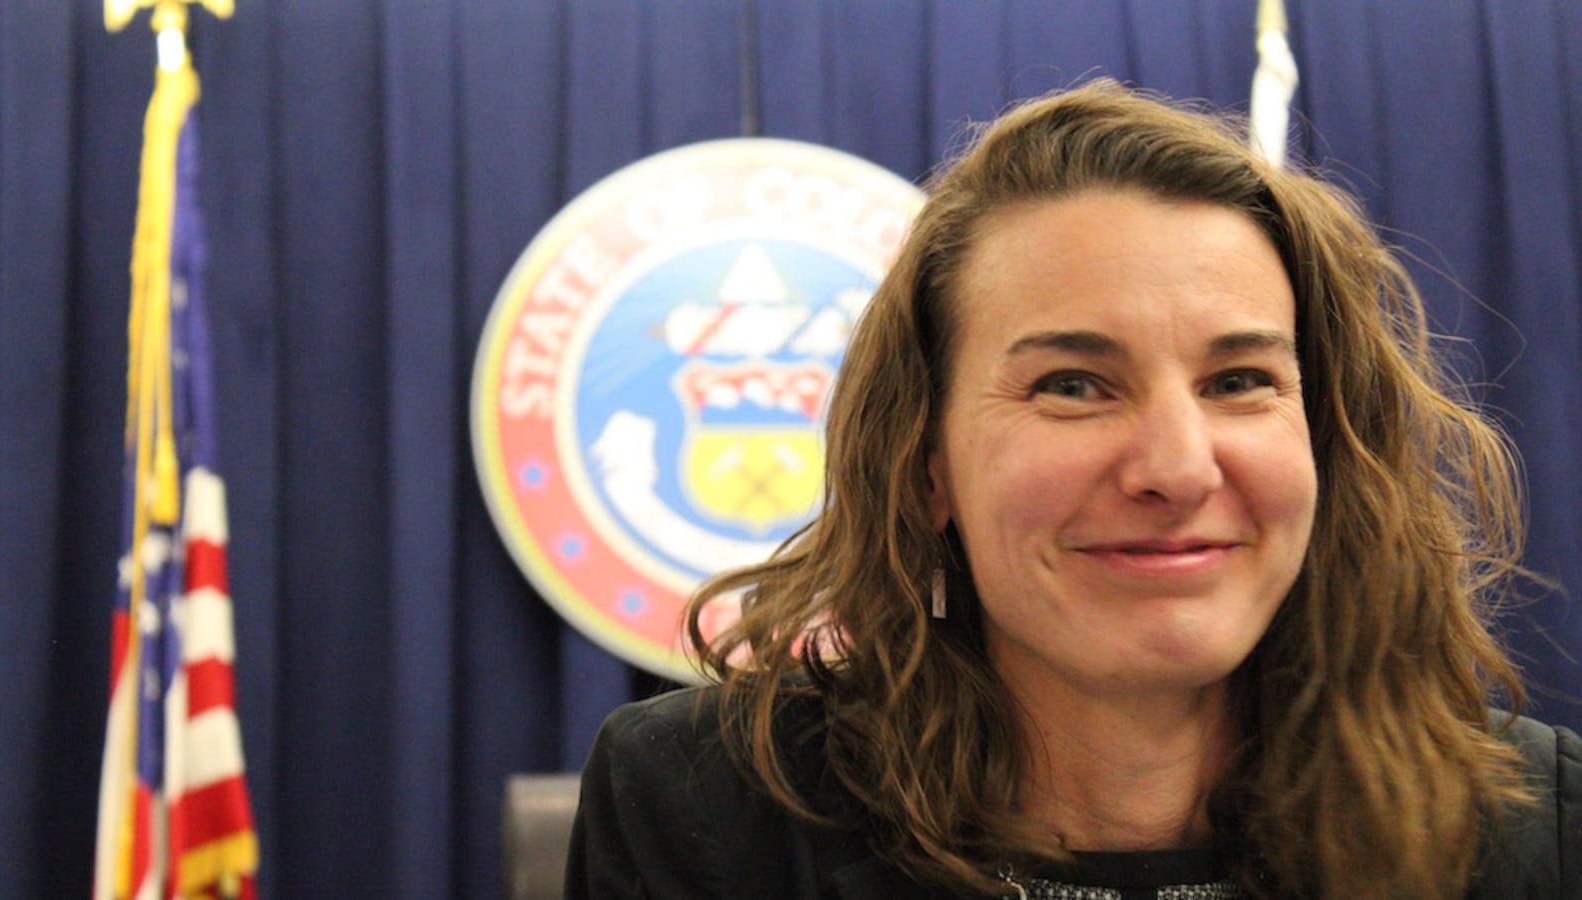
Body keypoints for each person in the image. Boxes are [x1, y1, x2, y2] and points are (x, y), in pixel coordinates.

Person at [564, 80, 1580, 899]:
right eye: (1072, 386)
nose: (1177, 469)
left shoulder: (1540, 824)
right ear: (927, 470)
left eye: (1239, 382)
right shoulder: (704, 810)